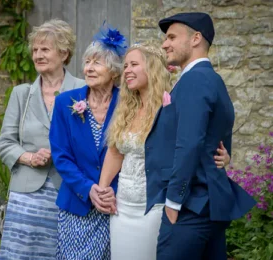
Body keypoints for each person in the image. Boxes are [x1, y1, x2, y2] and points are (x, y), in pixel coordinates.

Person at [98, 42, 231, 260]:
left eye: (134, 64)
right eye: (126, 66)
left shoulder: (171, 104)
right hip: (122, 206)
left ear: (151, 68)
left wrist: (224, 156)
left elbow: (191, 143)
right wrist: (103, 190)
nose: (127, 70)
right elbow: (115, 152)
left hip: (155, 203)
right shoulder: (125, 109)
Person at [144, 12, 256, 260]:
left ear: (195, 38)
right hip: (209, 205)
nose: (165, 44)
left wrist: (174, 201)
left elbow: (189, 143)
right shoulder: (213, 80)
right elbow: (216, 136)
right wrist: (225, 156)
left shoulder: (195, 80)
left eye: (172, 37)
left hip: (190, 206)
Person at [0, 19, 85, 260]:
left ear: (64, 52)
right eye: (35, 50)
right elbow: (5, 143)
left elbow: (94, 142)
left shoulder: (83, 90)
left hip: (66, 191)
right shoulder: (21, 94)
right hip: (25, 196)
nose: (38, 55)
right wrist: (30, 157)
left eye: (45, 49)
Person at [49, 24, 127, 259]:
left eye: (97, 63)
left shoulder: (128, 103)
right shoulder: (65, 102)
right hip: (76, 204)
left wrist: (107, 192)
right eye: (87, 63)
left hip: (114, 204)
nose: (89, 69)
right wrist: (88, 189)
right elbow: (61, 156)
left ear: (114, 71)